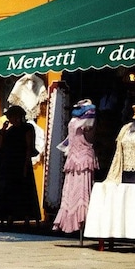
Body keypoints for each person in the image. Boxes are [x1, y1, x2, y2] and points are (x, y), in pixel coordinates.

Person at [52, 100, 98, 233]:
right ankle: (75, 220)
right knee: (74, 190)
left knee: (79, 191)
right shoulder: (79, 120)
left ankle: (81, 219)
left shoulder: (80, 120)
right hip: (77, 158)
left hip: (80, 158)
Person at [0, 105, 41, 224]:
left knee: (24, 190)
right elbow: (0, 146)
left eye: (13, 117)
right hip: (10, 164)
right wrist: (3, 130)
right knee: (11, 191)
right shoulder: (10, 130)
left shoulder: (27, 128)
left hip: (22, 162)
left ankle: (26, 217)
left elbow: (29, 148)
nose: (12, 119)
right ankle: (10, 216)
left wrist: (25, 165)